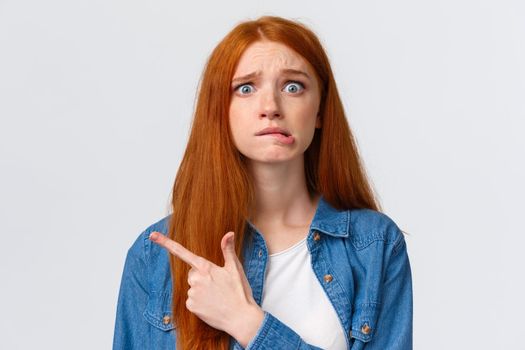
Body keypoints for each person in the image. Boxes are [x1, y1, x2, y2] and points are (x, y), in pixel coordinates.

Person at [113, 15, 412, 350]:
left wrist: (248, 323)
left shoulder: (373, 245)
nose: (270, 107)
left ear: (319, 112)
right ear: (220, 111)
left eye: (293, 86)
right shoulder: (154, 258)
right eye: (245, 88)